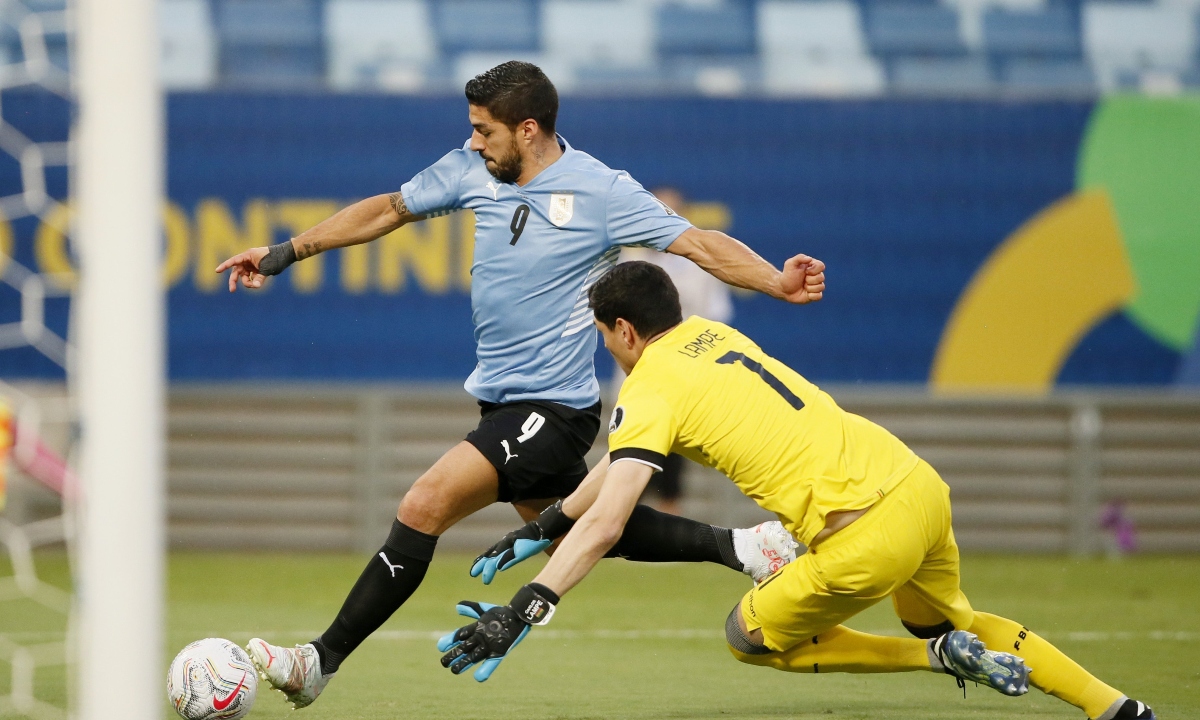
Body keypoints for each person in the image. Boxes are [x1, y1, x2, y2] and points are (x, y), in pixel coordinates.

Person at [213, 62, 824, 709]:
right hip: (502, 404)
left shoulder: (601, 191)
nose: (474, 143)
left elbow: (696, 242)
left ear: (528, 130)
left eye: (485, 131)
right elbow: (389, 210)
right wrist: (284, 253)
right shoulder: (472, 170)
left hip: (554, 408)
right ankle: (745, 546)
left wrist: (775, 282)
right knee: (571, 529)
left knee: (424, 504)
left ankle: (319, 660)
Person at [438, 262, 1156, 720]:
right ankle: (1118, 709)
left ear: (624, 331)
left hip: (860, 535)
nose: (607, 349)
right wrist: (548, 520)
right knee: (949, 618)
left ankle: (932, 660)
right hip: (916, 486)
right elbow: (610, 479)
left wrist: (526, 609)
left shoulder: (648, 383)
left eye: (604, 337)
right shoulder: (716, 337)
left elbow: (610, 524)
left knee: (745, 637)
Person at [617, 186, 734, 514]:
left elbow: (716, 318)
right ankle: (619, 530)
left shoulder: (701, 268)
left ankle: (667, 533)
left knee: (673, 460)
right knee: (632, 456)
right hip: (638, 376)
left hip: (683, 375)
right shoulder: (628, 261)